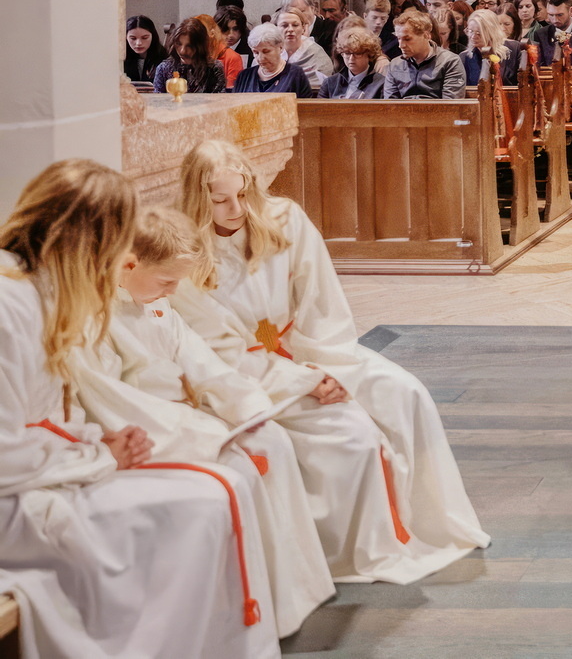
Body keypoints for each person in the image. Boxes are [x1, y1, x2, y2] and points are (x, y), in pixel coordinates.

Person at [0, 159, 283, 659]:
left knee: (220, 490)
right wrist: (100, 455)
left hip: (44, 473)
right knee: (203, 503)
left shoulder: (41, 289)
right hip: (16, 502)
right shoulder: (11, 304)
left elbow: (48, 416)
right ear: (90, 240)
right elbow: (7, 452)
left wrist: (95, 442)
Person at [173, 140, 491, 581]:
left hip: (311, 347)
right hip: (251, 374)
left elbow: (321, 300)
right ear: (197, 197)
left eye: (243, 194)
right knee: (353, 436)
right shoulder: (185, 251)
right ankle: (364, 549)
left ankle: (435, 526)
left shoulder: (284, 218)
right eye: (220, 200)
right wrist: (303, 381)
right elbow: (222, 349)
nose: (237, 209)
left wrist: (328, 366)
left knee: (406, 394)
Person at [70, 203, 337, 637]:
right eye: (166, 281)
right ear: (129, 264)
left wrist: (247, 407)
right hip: (152, 433)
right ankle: (241, 610)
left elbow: (203, 364)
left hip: (184, 418)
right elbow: (112, 401)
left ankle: (288, 594)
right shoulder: (96, 318)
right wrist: (204, 431)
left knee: (271, 439)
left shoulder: (155, 303)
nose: (173, 291)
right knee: (242, 469)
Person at [385, 7, 467, 99]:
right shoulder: (395, 65)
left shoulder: (449, 62)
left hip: (437, 108)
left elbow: (451, 104)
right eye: (399, 39)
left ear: (426, 35)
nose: (401, 45)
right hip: (402, 108)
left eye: (407, 39)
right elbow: (390, 104)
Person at [236, 23, 318, 98]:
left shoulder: (295, 74)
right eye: (256, 52)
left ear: (280, 48)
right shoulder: (244, 76)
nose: (260, 58)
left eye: (266, 51)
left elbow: (305, 106)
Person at [152, 18, 227, 95]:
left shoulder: (214, 69)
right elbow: (158, 100)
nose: (182, 51)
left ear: (200, 46)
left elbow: (218, 100)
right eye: (178, 44)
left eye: (189, 46)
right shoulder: (164, 69)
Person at [461, 8, 524, 89]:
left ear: (491, 31)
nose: (473, 36)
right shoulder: (464, 57)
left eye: (479, 32)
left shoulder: (514, 49)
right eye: (470, 31)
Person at [320, 25, 389, 98]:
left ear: (369, 54)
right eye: (347, 53)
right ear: (342, 54)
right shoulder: (330, 82)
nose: (351, 58)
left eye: (357, 53)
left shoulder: (382, 84)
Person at [277, 6, 333, 90]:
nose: (290, 29)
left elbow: (325, 83)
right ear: (276, 28)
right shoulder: (269, 50)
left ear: (303, 28)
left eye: (295, 25)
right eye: (284, 25)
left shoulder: (316, 53)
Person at [125, 14, 167, 83]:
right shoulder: (120, 59)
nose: (138, 43)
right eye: (133, 38)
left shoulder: (163, 59)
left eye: (145, 38)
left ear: (153, 36)